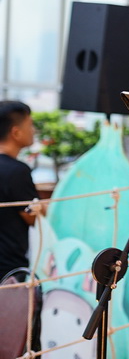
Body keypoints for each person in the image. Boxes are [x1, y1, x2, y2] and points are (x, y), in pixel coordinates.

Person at [0, 100, 42, 280]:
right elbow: (33, 216)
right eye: (30, 125)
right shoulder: (17, 171)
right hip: (8, 270)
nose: (33, 131)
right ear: (15, 132)